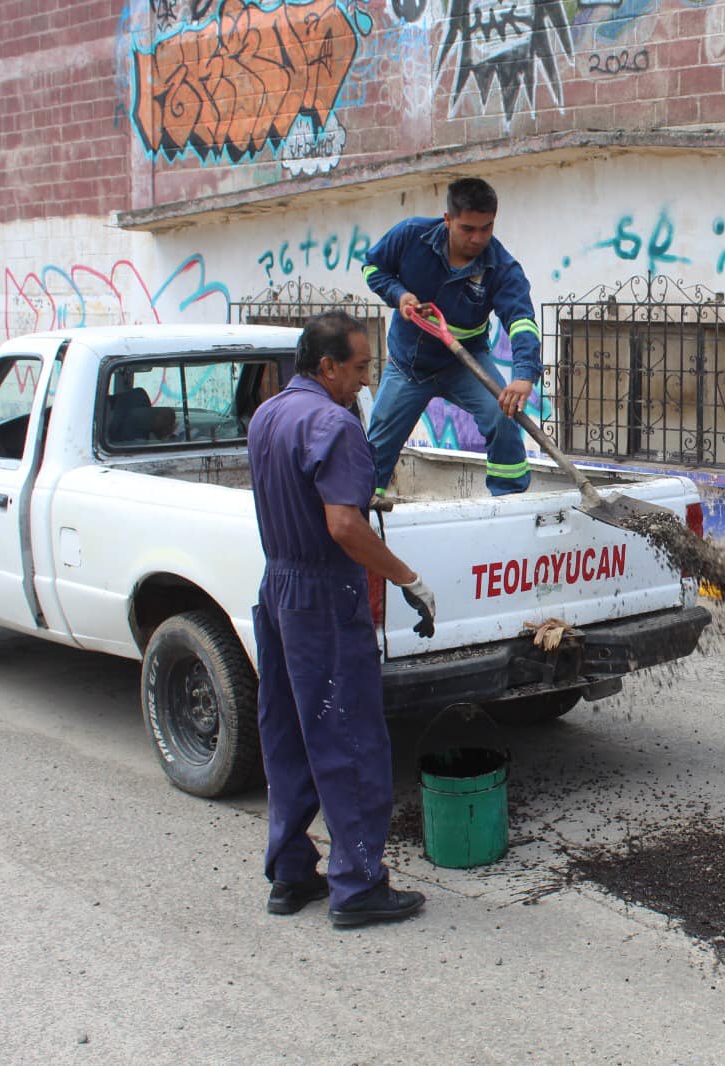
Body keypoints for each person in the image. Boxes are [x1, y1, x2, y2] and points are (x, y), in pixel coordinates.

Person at [247, 311, 437, 928]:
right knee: (349, 738)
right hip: (324, 596)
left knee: (288, 735)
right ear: (327, 366)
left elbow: (309, 498)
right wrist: (407, 577)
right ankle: (357, 887)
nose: (364, 380)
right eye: (358, 368)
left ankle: (291, 872)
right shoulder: (335, 423)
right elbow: (343, 525)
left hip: (277, 584)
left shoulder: (269, 414)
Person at [362, 176, 540, 503]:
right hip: (408, 365)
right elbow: (373, 269)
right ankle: (363, 506)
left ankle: (509, 502)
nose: (478, 238)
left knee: (502, 416)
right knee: (377, 443)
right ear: (448, 220)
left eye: (486, 228)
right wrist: (398, 294)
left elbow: (522, 321)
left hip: (465, 363)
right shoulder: (411, 235)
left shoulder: (502, 267)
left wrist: (524, 375)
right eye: (467, 229)